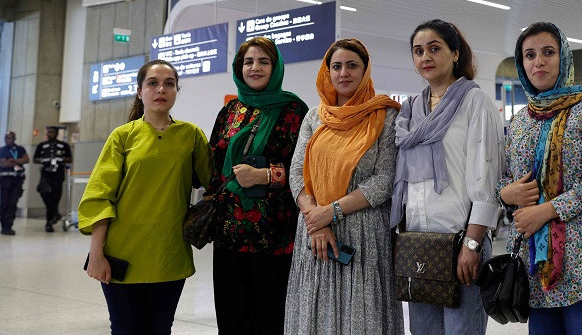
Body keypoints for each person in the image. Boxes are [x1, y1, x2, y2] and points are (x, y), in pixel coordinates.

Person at [498, 22, 582, 335]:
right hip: (536, 263)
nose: (538, 61)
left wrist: (545, 211)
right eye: (529, 55)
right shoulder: (519, 122)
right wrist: (506, 195)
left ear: (565, 57)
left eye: (548, 52)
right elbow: (505, 179)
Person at [78, 60, 212, 334]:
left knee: (160, 329)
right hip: (122, 254)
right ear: (140, 92)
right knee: (125, 329)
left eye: (169, 84)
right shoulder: (123, 136)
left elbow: (214, 183)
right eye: (152, 83)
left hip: (169, 255)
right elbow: (100, 196)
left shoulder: (191, 136)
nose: (161, 89)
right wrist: (96, 253)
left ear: (176, 91)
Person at [391, 19, 504, 335]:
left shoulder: (474, 101)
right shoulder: (411, 109)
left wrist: (472, 243)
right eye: (418, 51)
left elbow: (487, 176)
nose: (425, 57)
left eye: (434, 48)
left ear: (455, 53)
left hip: (460, 242)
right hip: (418, 244)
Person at [285, 39, 403, 335]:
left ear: (365, 71)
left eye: (352, 65)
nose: (343, 73)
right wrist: (317, 220)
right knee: (314, 313)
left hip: (365, 233)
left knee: (362, 316)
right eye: (336, 66)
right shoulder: (315, 116)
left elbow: (384, 179)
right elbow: (297, 173)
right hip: (316, 234)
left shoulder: (385, 115)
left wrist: (332, 212)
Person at [208, 37, 308, 334]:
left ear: (275, 68)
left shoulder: (294, 111)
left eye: (264, 61)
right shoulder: (230, 112)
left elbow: (306, 171)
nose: (255, 67)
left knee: (271, 317)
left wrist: (265, 175)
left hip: (276, 235)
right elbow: (214, 165)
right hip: (229, 233)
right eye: (248, 62)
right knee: (231, 317)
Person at [32, 126, 72, 232]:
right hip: (46, 174)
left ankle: (49, 223)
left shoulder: (64, 145)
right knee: (44, 191)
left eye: (52, 132)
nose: (49, 134)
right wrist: (44, 160)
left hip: (58, 175)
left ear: (56, 133)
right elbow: (34, 159)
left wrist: (60, 159)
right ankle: (55, 214)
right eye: (48, 132)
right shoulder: (42, 145)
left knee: (55, 198)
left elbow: (70, 159)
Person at [0, 131, 29, 236]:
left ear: (14, 138)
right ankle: (4, 225)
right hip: (5, 180)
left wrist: (13, 160)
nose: (8, 140)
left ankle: (8, 226)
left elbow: (26, 159)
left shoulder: (20, 149)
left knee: (12, 204)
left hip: (17, 180)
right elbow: (3, 164)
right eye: (6, 138)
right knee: (4, 204)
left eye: (10, 138)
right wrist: (18, 161)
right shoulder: (2, 150)